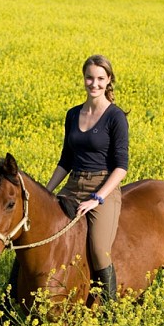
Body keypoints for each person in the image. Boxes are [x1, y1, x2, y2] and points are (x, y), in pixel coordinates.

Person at [44, 54, 129, 303]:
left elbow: (121, 167)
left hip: (103, 187)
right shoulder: (72, 114)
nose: (95, 84)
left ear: (109, 80)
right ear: (84, 79)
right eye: (90, 78)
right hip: (73, 184)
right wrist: (47, 191)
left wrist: (97, 199)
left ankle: (109, 307)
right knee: (40, 230)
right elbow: (65, 161)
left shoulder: (115, 117)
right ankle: (13, 298)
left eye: (101, 78)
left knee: (99, 249)